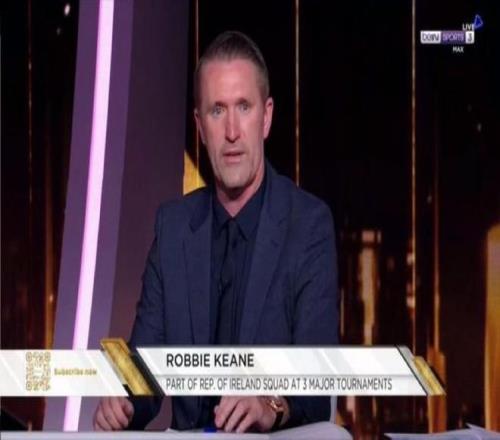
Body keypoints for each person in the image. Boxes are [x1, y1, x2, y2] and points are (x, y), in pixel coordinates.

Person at [94, 30, 338, 433]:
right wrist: (123, 402)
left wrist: (269, 404)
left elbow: (319, 381)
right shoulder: (173, 227)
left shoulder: (308, 225)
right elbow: (145, 369)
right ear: (199, 125)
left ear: (267, 117)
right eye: (217, 111)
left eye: (244, 107)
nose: (232, 132)